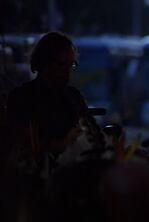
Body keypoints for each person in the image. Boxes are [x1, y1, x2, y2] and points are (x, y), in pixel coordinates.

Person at [6, 32, 90, 175]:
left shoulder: (73, 96)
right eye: (62, 64)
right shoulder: (22, 97)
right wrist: (65, 142)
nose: (68, 71)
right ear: (43, 62)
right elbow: (24, 149)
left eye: (72, 65)